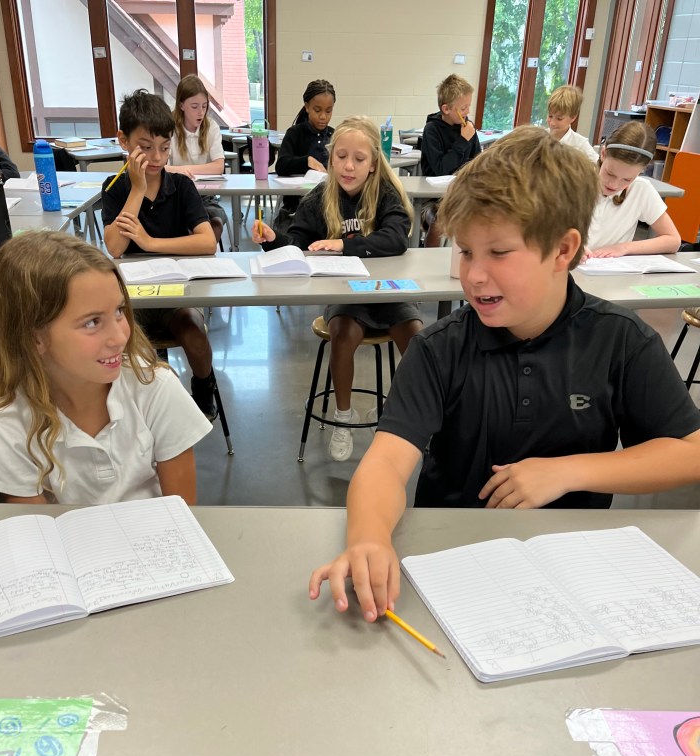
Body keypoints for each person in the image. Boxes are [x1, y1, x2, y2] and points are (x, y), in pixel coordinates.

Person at [308, 126, 700, 619]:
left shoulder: (620, 340)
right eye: (466, 251)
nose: (473, 274)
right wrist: (368, 537)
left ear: (563, 250)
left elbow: (690, 452)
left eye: (498, 253)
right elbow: (386, 463)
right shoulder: (438, 349)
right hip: (451, 565)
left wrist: (568, 471)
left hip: (574, 572)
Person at [0, 231, 211, 505]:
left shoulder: (154, 387)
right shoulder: (3, 423)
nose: (120, 337)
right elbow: (35, 526)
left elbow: (181, 513)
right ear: (33, 337)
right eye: (92, 322)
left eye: (119, 311)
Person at [253, 115, 423, 462]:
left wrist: (343, 245)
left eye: (359, 159)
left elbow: (396, 239)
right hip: (345, 294)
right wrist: (272, 240)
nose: (348, 166)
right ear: (331, 159)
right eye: (341, 157)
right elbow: (298, 245)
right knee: (343, 337)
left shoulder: (386, 193)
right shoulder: (320, 196)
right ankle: (343, 416)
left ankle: (401, 413)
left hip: (386, 291)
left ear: (373, 163)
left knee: (416, 337)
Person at [102, 89, 219, 419]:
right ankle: (146, 406)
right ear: (123, 141)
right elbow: (115, 247)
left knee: (195, 336)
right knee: (130, 351)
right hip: (132, 300)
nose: (156, 157)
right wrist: (137, 189)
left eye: (165, 148)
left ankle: (203, 388)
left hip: (175, 296)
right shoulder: (115, 187)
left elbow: (207, 242)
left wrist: (151, 243)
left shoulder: (180, 186)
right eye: (145, 147)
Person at [587, 122, 681, 257]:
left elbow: (673, 240)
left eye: (627, 179)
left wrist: (625, 247)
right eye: (610, 174)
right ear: (603, 153)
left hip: (607, 269)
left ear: (643, 170)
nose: (614, 185)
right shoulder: (574, 181)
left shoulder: (640, 189)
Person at [420, 74, 481, 248]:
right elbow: (441, 169)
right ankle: (429, 257)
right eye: (463, 108)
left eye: (468, 107)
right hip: (434, 197)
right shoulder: (432, 130)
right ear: (446, 109)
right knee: (439, 220)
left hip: (462, 192)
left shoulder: (467, 128)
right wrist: (463, 141)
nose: (467, 112)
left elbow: (477, 162)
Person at [168, 75, 226, 244]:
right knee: (181, 223)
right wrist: (182, 172)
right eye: (194, 107)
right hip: (176, 196)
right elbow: (161, 167)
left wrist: (185, 170)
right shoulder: (168, 127)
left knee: (215, 221)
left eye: (204, 106)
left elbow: (219, 166)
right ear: (181, 105)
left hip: (206, 197)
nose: (201, 112)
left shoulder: (211, 126)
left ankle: (204, 252)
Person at [273, 79, 336, 231]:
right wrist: (306, 161)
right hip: (297, 205)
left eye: (328, 111)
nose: (323, 116)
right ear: (307, 107)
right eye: (317, 110)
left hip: (329, 205)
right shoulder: (295, 133)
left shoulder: (335, 135)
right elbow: (281, 165)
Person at [546, 84, 597, 160]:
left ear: (573, 117)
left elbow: (598, 164)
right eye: (550, 116)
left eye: (559, 119)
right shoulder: (539, 137)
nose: (552, 123)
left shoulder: (581, 144)